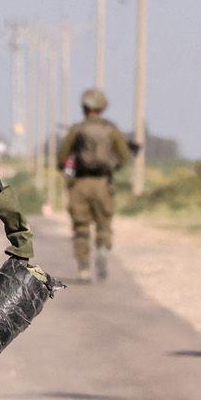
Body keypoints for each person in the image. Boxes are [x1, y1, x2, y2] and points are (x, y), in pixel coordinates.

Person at [55, 87, 132, 283]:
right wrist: (112, 168)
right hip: (102, 183)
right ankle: (103, 249)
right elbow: (124, 156)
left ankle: (83, 267)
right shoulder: (111, 130)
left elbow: (63, 156)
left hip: (80, 184)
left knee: (81, 226)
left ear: (84, 107)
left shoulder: (77, 129)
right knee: (104, 224)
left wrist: (66, 172)